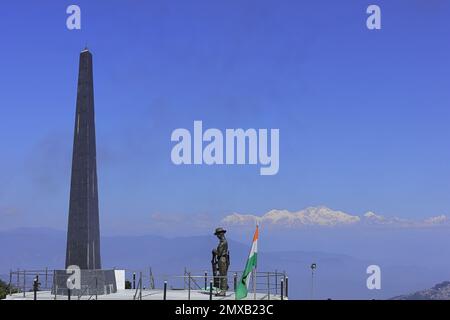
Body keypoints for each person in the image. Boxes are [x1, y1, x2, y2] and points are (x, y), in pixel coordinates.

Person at [212, 227, 230, 296]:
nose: (217, 236)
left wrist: (214, 251)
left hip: (222, 259)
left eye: (217, 234)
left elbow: (219, 253)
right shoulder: (223, 242)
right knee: (222, 275)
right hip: (222, 259)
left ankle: (223, 290)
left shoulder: (223, 242)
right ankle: (223, 289)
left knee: (223, 275)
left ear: (221, 234)